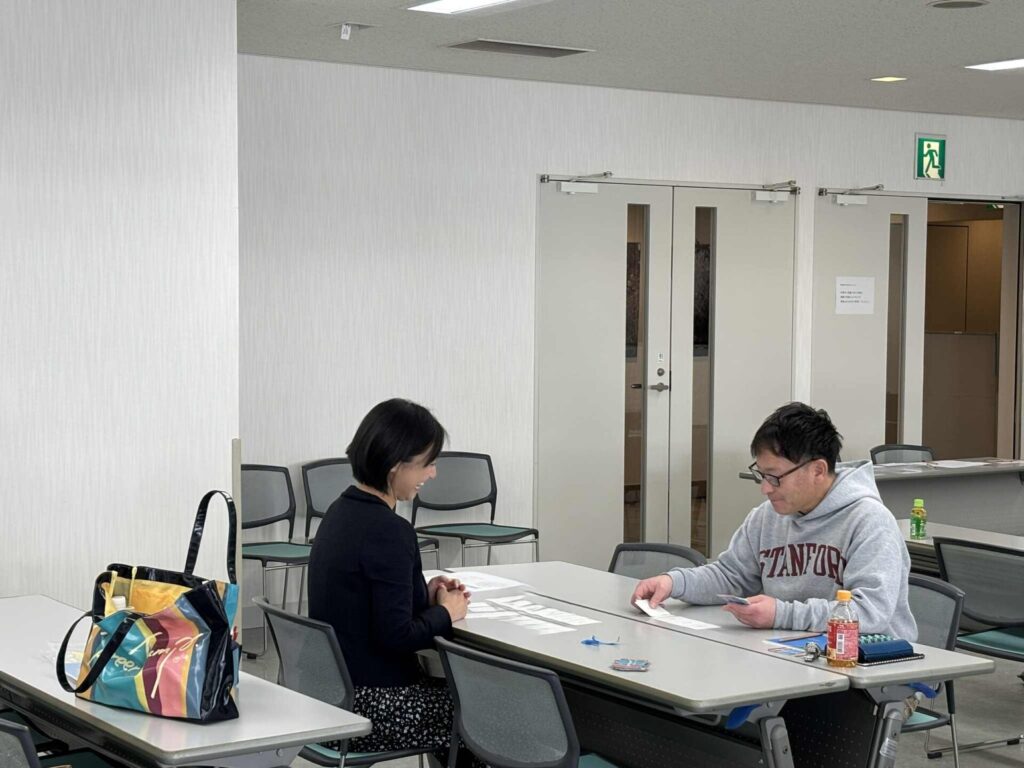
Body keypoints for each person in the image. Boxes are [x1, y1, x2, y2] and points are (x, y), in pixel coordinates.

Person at [631, 401, 916, 640]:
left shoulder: (870, 521)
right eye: (762, 475)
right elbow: (731, 576)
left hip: (868, 668)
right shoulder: (766, 517)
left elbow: (869, 612)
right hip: (793, 650)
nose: (765, 488)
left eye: (775, 477)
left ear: (818, 470)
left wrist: (781, 614)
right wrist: (674, 583)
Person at [308, 398, 475, 762]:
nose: (432, 473)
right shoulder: (390, 530)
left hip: (330, 694)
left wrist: (421, 594)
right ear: (396, 465)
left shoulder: (339, 511)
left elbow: (363, 601)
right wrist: (447, 613)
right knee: (484, 714)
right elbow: (397, 637)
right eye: (427, 463)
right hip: (372, 704)